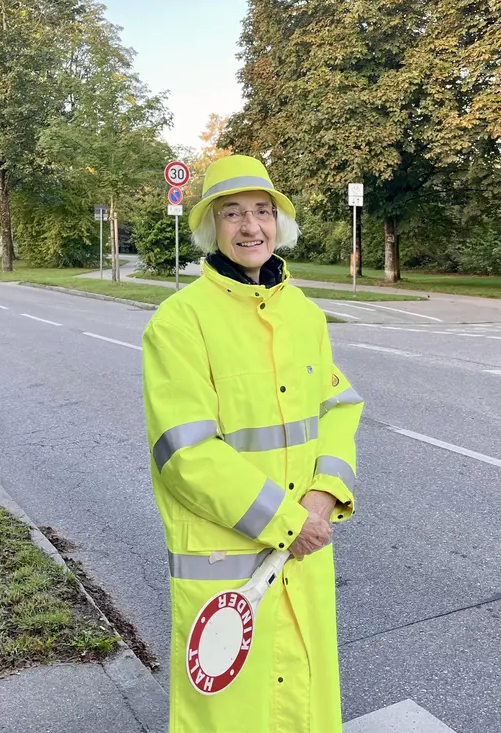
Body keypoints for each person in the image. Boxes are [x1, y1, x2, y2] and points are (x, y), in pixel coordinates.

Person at [141, 155, 363, 732]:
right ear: (211, 228)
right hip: (229, 563)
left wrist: (325, 491)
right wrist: (290, 521)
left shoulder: (305, 315)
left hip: (302, 551)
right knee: (231, 714)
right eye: (233, 213)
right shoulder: (179, 322)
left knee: (304, 704)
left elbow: (338, 407)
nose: (251, 227)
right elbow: (187, 455)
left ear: (279, 224)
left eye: (262, 212)